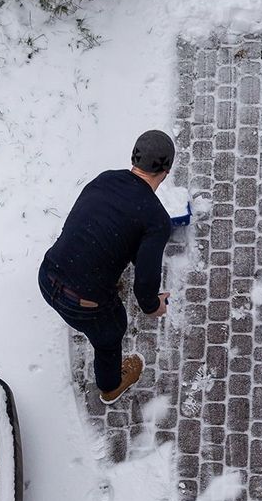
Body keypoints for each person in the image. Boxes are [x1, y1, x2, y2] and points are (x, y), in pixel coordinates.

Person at [39, 130, 174, 404]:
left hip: (46, 276)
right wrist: (152, 306)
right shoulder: (156, 219)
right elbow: (145, 284)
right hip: (83, 302)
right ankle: (111, 386)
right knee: (111, 330)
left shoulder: (105, 179)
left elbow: (91, 223)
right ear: (167, 170)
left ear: (134, 158)